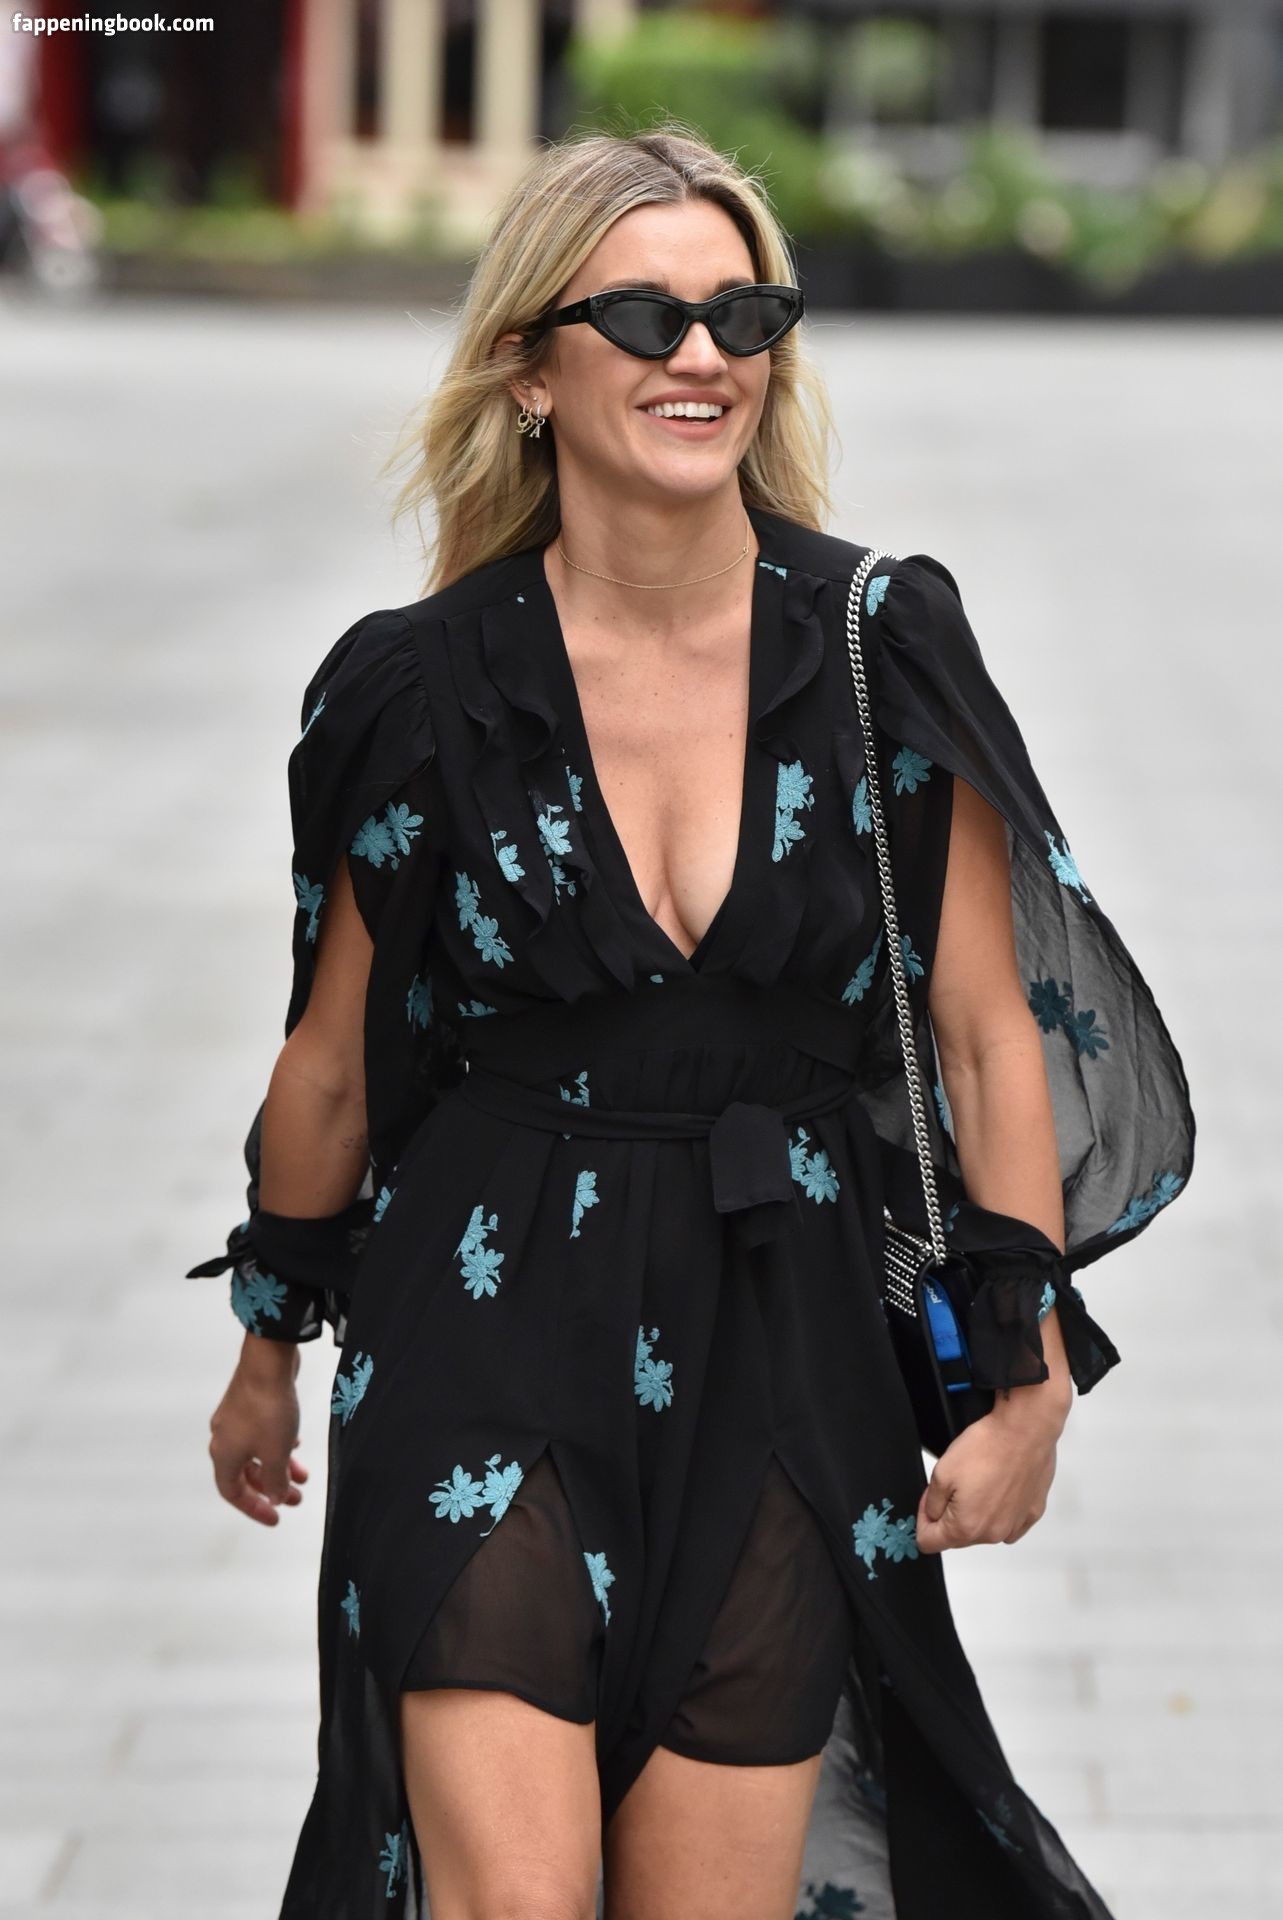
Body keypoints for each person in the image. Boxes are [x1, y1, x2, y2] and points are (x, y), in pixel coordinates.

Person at [187, 126, 1195, 1920]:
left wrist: (1028, 1372)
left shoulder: (881, 642)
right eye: (648, 315)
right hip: (481, 1323)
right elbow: (330, 1061)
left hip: (786, 1346)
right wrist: (270, 1338)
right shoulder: (412, 688)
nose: (704, 353)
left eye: (746, 313)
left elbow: (985, 1034)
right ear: (529, 368)